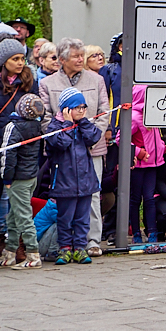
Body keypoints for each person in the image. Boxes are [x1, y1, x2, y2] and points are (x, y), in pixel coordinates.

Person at [40, 38, 111, 257]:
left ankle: (91, 241)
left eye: (82, 55)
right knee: (67, 199)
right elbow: (45, 119)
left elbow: (103, 111)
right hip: (63, 153)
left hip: (92, 147)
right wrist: (65, 134)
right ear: (62, 60)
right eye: (76, 56)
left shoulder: (96, 79)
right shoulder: (47, 84)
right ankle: (66, 244)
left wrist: (92, 135)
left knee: (92, 196)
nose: (81, 59)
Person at [45, 87, 102, 265]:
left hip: (85, 181)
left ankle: (79, 247)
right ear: (66, 109)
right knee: (65, 218)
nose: (82, 110)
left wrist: (82, 122)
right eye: (78, 107)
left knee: (82, 218)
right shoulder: (55, 126)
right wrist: (68, 125)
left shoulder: (83, 125)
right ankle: (64, 248)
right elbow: (60, 143)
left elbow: (94, 137)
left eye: (84, 107)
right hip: (64, 182)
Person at [0, 95, 45, 268]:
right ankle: (10, 251)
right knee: (13, 215)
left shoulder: (13, 127)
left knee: (24, 216)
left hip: (17, 179)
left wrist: (6, 177)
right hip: (31, 177)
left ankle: (33, 254)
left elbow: (7, 154)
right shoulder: (36, 125)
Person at [129, 85, 166, 244]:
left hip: (153, 164)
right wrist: (138, 152)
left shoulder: (154, 115)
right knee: (135, 199)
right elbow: (120, 138)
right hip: (139, 166)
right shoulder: (134, 117)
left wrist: (162, 147)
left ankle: (152, 232)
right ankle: (135, 233)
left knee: (150, 198)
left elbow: (155, 137)